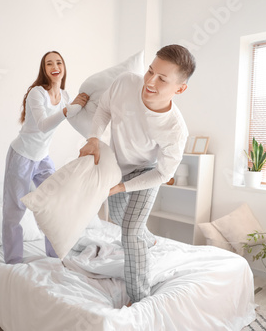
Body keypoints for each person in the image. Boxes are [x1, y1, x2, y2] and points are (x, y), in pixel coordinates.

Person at [79, 44, 195, 304]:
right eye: (150, 71)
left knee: (130, 233)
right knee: (123, 221)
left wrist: (121, 188)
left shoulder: (175, 129)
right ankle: (149, 239)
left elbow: (163, 174)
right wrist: (94, 139)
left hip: (147, 172)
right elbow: (104, 109)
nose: (150, 81)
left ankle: (139, 298)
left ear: (179, 88)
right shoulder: (125, 83)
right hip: (117, 166)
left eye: (162, 79)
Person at [3, 51, 89, 264]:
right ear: (44, 69)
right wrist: (70, 109)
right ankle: (13, 261)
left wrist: (94, 139)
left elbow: (77, 119)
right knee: (15, 211)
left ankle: (54, 254)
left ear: (64, 67)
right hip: (21, 155)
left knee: (54, 202)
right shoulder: (37, 93)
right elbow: (43, 125)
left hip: (42, 158)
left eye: (58, 62)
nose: (54, 66)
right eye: (49, 63)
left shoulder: (66, 97)